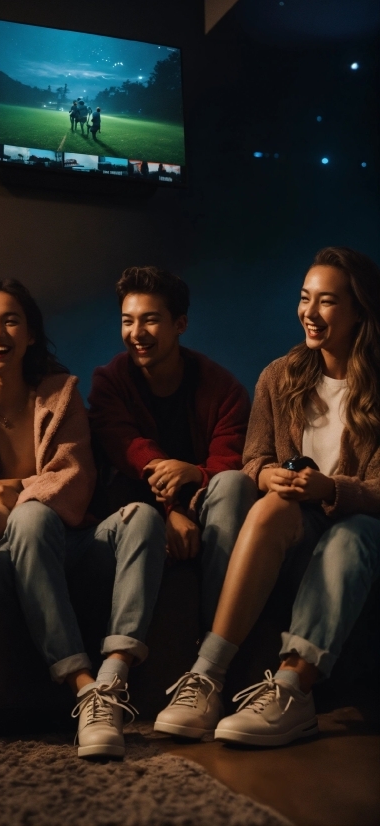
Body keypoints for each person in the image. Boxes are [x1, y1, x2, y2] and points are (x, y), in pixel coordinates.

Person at [0, 278, 166, 759]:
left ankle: (112, 677)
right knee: (33, 520)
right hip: (8, 550)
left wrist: (15, 489)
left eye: (11, 320)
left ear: (32, 334)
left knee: (142, 516)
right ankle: (84, 688)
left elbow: (75, 479)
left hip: (75, 539)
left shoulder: (61, 394)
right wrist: (17, 506)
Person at [154, 246, 380, 746]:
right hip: (297, 536)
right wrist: (270, 477)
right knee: (268, 502)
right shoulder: (280, 376)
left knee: (355, 533)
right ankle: (209, 676)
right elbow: (252, 459)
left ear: (360, 309)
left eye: (327, 302)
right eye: (305, 299)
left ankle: (293, 691)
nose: (310, 312)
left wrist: (331, 488)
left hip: (362, 542)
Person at [88, 266, 254, 633]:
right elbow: (129, 449)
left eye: (150, 320)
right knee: (142, 512)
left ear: (180, 324)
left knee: (233, 485)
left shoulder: (223, 389)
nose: (136, 334)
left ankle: (217, 640)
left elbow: (232, 462)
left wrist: (195, 474)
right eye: (127, 321)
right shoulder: (110, 383)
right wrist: (170, 511)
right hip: (130, 514)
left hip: (206, 513)